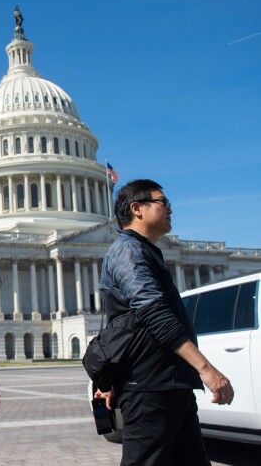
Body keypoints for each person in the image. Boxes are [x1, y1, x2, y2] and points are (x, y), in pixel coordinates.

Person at [96, 179, 234, 465]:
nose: (170, 208)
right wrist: (205, 368)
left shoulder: (144, 251)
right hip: (149, 387)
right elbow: (153, 313)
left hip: (168, 384)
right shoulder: (128, 251)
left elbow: (118, 320)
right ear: (137, 209)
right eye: (163, 202)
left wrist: (107, 378)